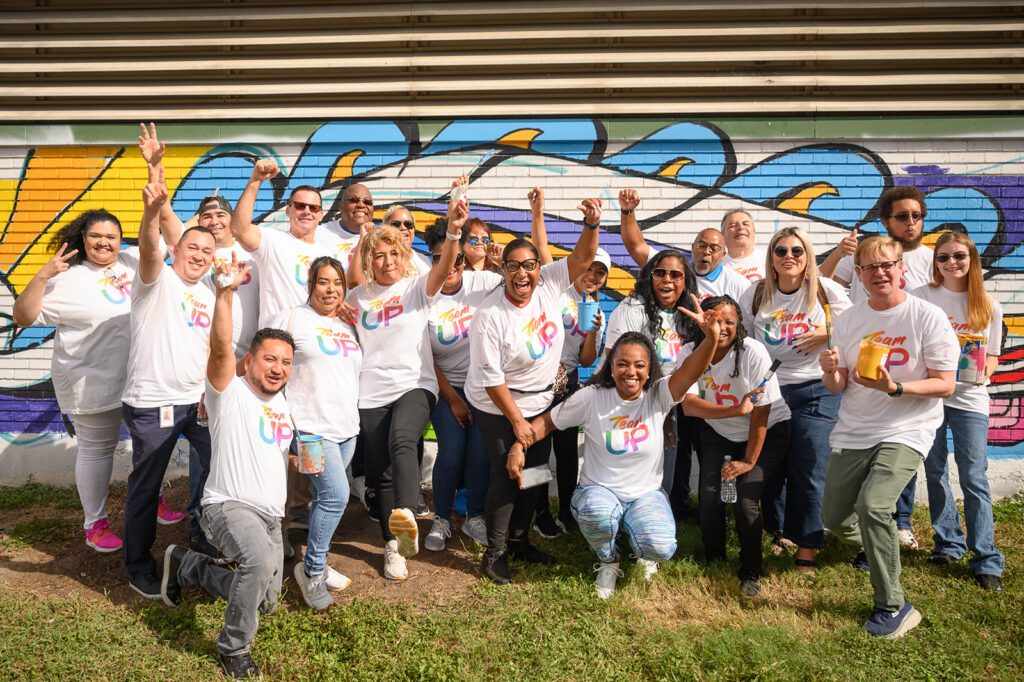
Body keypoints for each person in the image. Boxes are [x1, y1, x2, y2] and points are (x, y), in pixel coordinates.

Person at [12, 179, 182, 551]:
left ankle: (150, 500)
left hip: (140, 378)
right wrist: (43, 274)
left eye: (112, 236)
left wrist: (158, 189)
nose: (104, 243)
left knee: (147, 445)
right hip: (91, 382)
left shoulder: (132, 260)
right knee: (97, 450)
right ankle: (95, 523)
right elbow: (23, 317)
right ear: (82, 239)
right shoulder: (65, 280)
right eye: (96, 236)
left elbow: (174, 241)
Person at [512, 305, 719, 598]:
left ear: (649, 371)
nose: (630, 372)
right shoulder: (592, 397)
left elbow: (689, 371)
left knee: (661, 546)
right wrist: (520, 445)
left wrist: (710, 340)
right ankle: (609, 559)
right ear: (611, 366)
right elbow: (548, 422)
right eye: (622, 364)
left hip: (644, 494)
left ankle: (641, 546)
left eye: (639, 365)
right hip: (598, 490)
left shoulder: (659, 396)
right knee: (598, 514)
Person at [160, 255, 295, 680]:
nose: (277, 369)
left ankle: (186, 565)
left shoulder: (285, 406)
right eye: (269, 359)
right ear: (251, 360)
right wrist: (225, 293)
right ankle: (233, 649)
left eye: (285, 363)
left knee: (266, 599)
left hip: (271, 515)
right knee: (255, 564)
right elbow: (219, 348)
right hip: (227, 505)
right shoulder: (228, 392)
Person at [818, 235, 958, 639]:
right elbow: (839, 385)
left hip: (907, 427)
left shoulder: (926, 317)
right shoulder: (849, 319)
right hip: (856, 428)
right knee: (834, 517)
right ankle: (882, 547)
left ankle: (893, 606)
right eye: (869, 267)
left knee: (874, 505)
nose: (879, 273)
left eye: (887, 265)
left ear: (901, 268)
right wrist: (830, 368)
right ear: (858, 275)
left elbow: (945, 384)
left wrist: (896, 389)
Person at [466, 198, 601, 584]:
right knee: (510, 475)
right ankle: (494, 554)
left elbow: (583, 255)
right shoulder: (490, 316)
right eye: (514, 266)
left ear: (539, 268)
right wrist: (518, 425)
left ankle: (520, 540)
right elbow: (492, 381)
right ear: (502, 269)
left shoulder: (550, 285)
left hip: (541, 399)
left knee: (538, 475)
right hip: (498, 406)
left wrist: (592, 224)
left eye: (529, 265)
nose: (523, 274)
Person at [345, 181, 466, 581]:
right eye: (378, 256)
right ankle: (393, 545)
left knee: (403, 440)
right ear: (368, 261)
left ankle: (408, 510)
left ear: (402, 256)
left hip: (415, 382)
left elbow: (446, 264)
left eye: (393, 254)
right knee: (378, 469)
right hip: (370, 391)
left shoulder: (415, 287)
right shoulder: (357, 298)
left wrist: (452, 229)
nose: (386, 262)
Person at [120, 168, 216, 598]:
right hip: (151, 402)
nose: (198, 255)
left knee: (223, 464)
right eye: (192, 247)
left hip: (194, 403)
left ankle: (205, 537)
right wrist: (152, 209)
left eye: (207, 251)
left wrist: (206, 393)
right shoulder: (156, 280)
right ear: (176, 248)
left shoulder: (209, 294)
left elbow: (206, 348)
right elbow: (146, 248)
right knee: (147, 486)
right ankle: (137, 565)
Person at [738, 226, 851, 571]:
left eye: (797, 251)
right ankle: (781, 531)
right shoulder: (755, 294)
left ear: (808, 257)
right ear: (771, 257)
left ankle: (807, 547)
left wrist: (825, 332)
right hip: (771, 392)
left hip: (815, 389)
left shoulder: (825, 290)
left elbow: (857, 325)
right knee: (773, 469)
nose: (789, 257)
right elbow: (743, 337)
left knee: (809, 466)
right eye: (781, 251)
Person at [909, 231, 1005, 590]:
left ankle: (986, 558)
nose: (951, 263)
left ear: (972, 259)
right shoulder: (923, 298)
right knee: (933, 471)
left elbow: (993, 354)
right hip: (931, 397)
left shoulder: (987, 305)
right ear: (936, 263)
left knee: (973, 477)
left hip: (970, 399)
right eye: (944, 257)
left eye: (959, 256)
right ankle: (948, 542)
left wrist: (985, 372)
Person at [682, 296, 791, 598]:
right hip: (720, 430)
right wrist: (733, 411)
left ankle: (751, 569)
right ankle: (715, 558)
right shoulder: (689, 353)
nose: (723, 327)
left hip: (766, 432)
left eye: (730, 321)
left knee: (745, 500)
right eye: (716, 320)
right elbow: (690, 406)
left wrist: (748, 461)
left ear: (739, 324)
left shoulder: (753, 352)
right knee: (710, 496)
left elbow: (761, 412)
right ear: (703, 321)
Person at [270, 256, 362, 608]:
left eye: (337, 283)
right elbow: (267, 361)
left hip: (345, 429)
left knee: (322, 500)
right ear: (311, 285)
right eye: (323, 282)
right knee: (336, 497)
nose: (331, 289)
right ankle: (311, 572)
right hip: (309, 427)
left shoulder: (347, 322)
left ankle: (317, 563)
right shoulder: (292, 318)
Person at [422, 218, 503, 551]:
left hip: (482, 388)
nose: (451, 265)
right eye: (442, 257)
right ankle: (441, 518)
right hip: (446, 389)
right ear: (433, 259)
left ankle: (474, 517)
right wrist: (453, 399)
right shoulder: (424, 293)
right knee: (452, 451)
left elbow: (523, 288)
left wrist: (499, 263)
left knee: (480, 454)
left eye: (456, 257)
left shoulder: (482, 282)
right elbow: (426, 357)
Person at [604, 237, 700, 516]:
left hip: (671, 402)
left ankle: (654, 522)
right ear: (650, 276)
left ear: (685, 281)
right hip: (635, 400)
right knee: (631, 466)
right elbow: (614, 360)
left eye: (675, 274)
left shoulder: (689, 315)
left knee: (664, 469)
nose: (667, 280)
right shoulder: (632, 309)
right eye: (660, 273)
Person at [231, 159, 333, 328]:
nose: (307, 211)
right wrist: (255, 181)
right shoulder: (272, 241)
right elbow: (239, 229)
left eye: (313, 208)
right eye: (300, 206)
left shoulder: (328, 256)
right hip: (275, 341)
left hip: (312, 340)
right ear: (288, 210)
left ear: (321, 214)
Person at [317, 182, 375, 270]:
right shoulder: (321, 233)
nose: (361, 205)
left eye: (367, 202)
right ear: (341, 205)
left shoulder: (380, 236)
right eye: (353, 200)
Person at [688, 228, 752, 302]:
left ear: (723, 255)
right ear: (692, 248)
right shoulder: (678, 274)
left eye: (714, 249)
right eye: (702, 246)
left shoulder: (739, 284)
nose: (706, 252)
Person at [721, 209, 766, 282]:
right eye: (732, 225)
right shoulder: (717, 266)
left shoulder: (769, 259)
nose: (741, 227)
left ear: (754, 231)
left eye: (746, 224)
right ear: (723, 235)